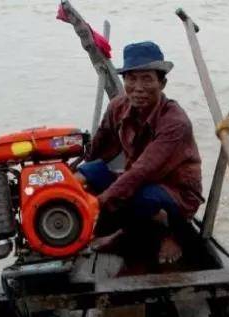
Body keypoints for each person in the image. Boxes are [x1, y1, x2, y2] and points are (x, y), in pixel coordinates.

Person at [76, 41, 203, 266]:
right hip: (137, 181)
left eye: (147, 79)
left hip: (174, 193)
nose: (138, 87)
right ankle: (92, 228)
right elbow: (97, 152)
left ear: (162, 83)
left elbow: (142, 172)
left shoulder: (175, 122)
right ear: (124, 81)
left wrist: (99, 202)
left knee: (143, 197)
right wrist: (71, 179)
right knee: (88, 171)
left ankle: (170, 234)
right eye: (131, 79)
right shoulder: (118, 107)